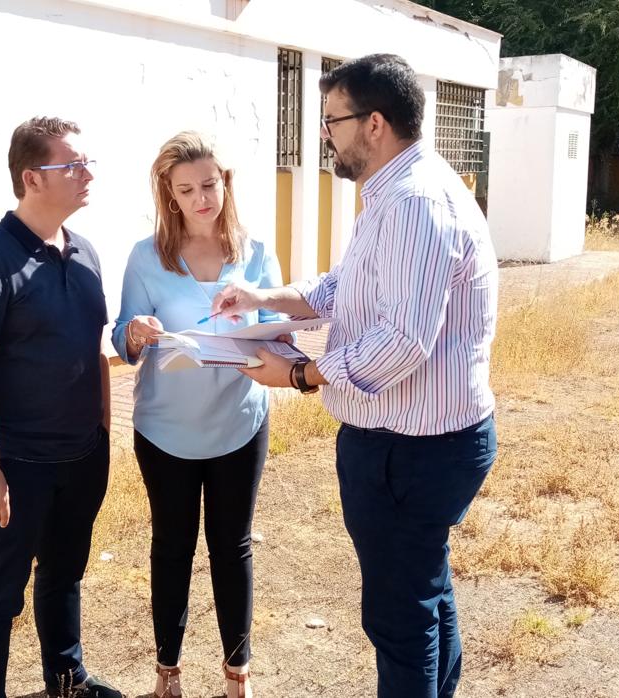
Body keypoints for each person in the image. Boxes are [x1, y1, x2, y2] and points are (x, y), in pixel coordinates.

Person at [210, 54, 500, 698]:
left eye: (331, 120)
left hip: (412, 449)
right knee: (424, 590)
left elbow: (401, 341)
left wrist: (303, 376)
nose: (324, 136)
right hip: (417, 442)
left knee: (400, 617)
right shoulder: (397, 191)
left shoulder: (414, 205)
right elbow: (355, 287)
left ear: (374, 124)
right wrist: (270, 298)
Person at [0, 116, 122, 698]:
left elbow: (94, 349)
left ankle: (65, 677)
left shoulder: (86, 252)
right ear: (31, 178)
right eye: (70, 164)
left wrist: (102, 431)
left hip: (81, 454)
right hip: (16, 463)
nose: (86, 173)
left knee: (64, 574)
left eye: (85, 161)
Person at [113, 131, 285, 698]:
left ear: (225, 182)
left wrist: (271, 342)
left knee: (232, 547)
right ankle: (167, 671)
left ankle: (238, 674)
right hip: (165, 431)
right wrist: (136, 334)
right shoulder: (146, 256)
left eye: (209, 184)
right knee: (172, 546)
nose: (201, 198)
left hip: (240, 422)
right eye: (186, 190)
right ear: (170, 195)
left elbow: (278, 331)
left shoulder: (255, 251)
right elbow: (124, 334)